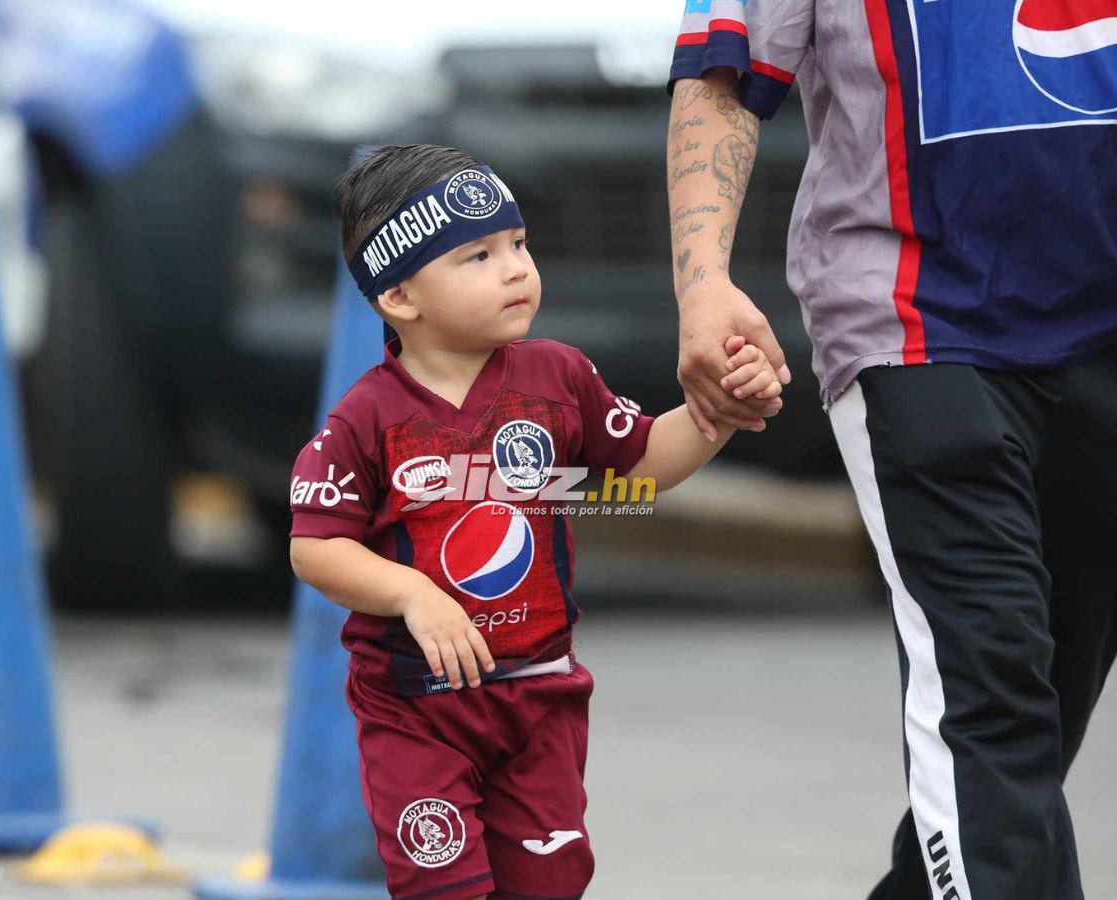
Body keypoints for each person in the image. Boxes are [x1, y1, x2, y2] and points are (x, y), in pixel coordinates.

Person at [665, 1, 1117, 897]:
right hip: (916, 324)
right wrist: (703, 281)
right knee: (988, 704)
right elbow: (722, 78)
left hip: (1101, 327)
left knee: (1029, 737)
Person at [288, 143, 782, 900]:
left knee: (549, 883)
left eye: (519, 245)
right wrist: (413, 595)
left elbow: (638, 470)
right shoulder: (367, 418)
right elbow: (316, 548)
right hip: (418, 707)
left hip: (540, 698)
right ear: (400, 298)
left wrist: (716, 416)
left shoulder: (559, 377)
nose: (516, 268)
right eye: (477, 256)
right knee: (443, 886)